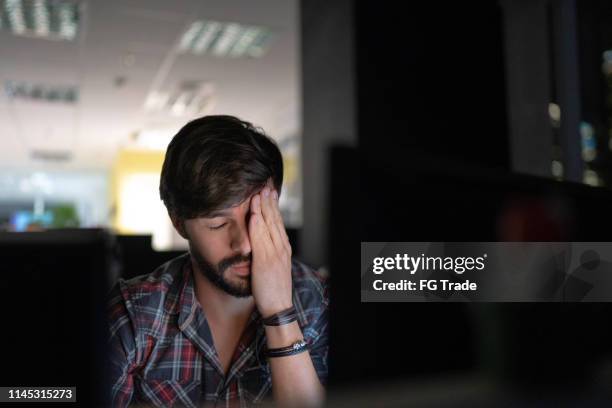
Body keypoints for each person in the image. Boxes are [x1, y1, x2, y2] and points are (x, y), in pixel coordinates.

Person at [107, 115, 328, 407]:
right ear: (179, 223)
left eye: (257, 217)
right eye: (218, 224)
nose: (245, 244)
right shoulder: (135, 316)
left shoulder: (318, 302)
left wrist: (279, 313)